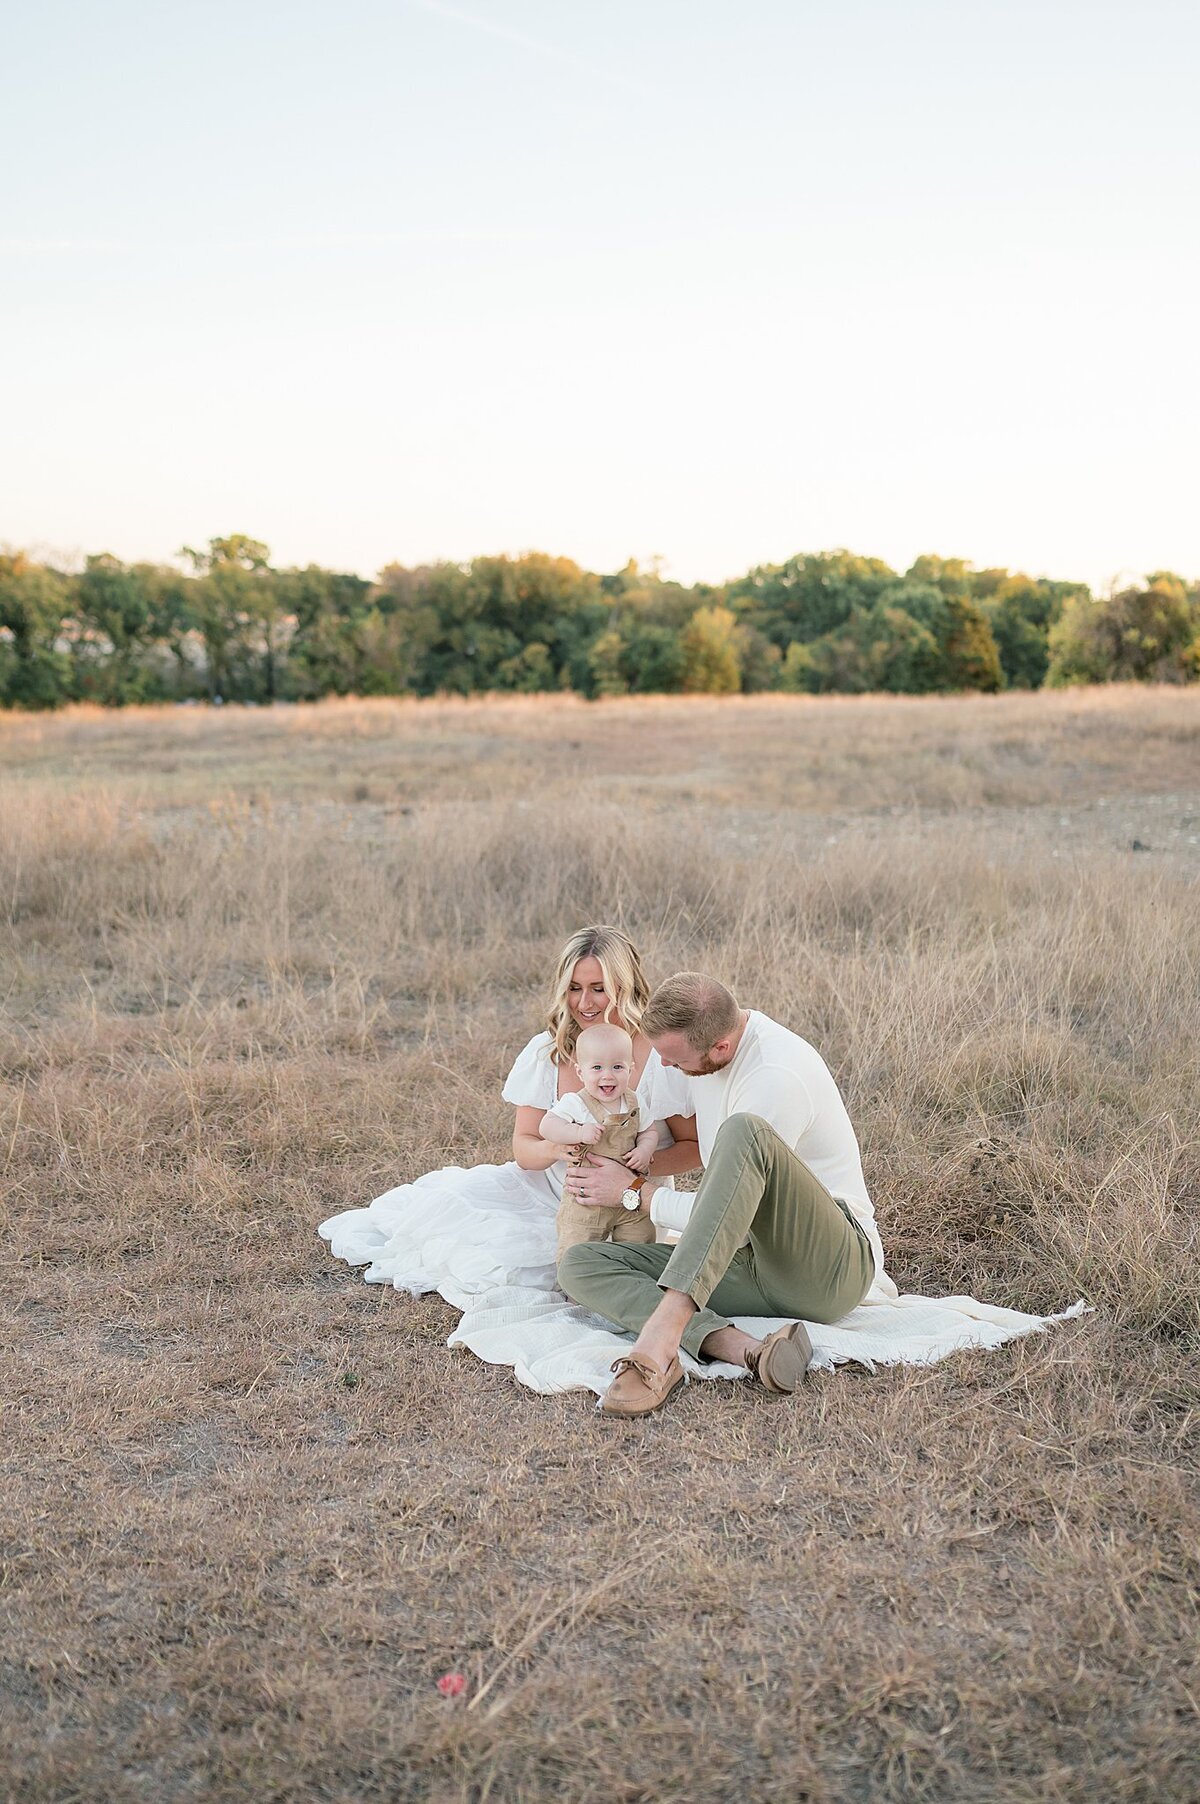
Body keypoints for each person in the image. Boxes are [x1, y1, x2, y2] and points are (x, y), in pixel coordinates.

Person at [318, 926, 700, 1310]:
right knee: (470, 1235)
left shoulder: (660, 1058)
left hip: (631, 1203)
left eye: (599, 988)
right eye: (573, 988)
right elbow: (525, 1147)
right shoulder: (546, 1052)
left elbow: (695, 1149)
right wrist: (556, 1146)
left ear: (625, 987)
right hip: (550, 1194)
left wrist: (630, 1172)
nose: (585, 1002)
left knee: (552, 1270)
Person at [556, 971, 882, 1418]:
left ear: (721, 1048)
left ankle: (661, 1341)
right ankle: (745, 1349)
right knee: (581, 1263)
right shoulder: (689, 1047)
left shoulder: (774, 1077)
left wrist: (634, 1193)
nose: (664, 1067)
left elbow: (733, 1217)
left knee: (743, 1131)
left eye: (674, 1060)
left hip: (826, 1268)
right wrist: (591, 1146)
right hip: (748, 1264)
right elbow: (648, 1129)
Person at [539, 1021, 661, 1264]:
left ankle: (631, 1276)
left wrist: (645, 1149)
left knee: (640, 1241)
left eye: (617, 1066)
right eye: (597, 1067)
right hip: (586, 1199)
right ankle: (577, 1284)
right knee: (578, 1244)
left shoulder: (634, 1103)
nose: (607, 1075)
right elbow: (547, 1126)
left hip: (629, 1196)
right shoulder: (576, 1103)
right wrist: (578, 1132)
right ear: (580, 1072)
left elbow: (649, 1131)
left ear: (631, 1069)